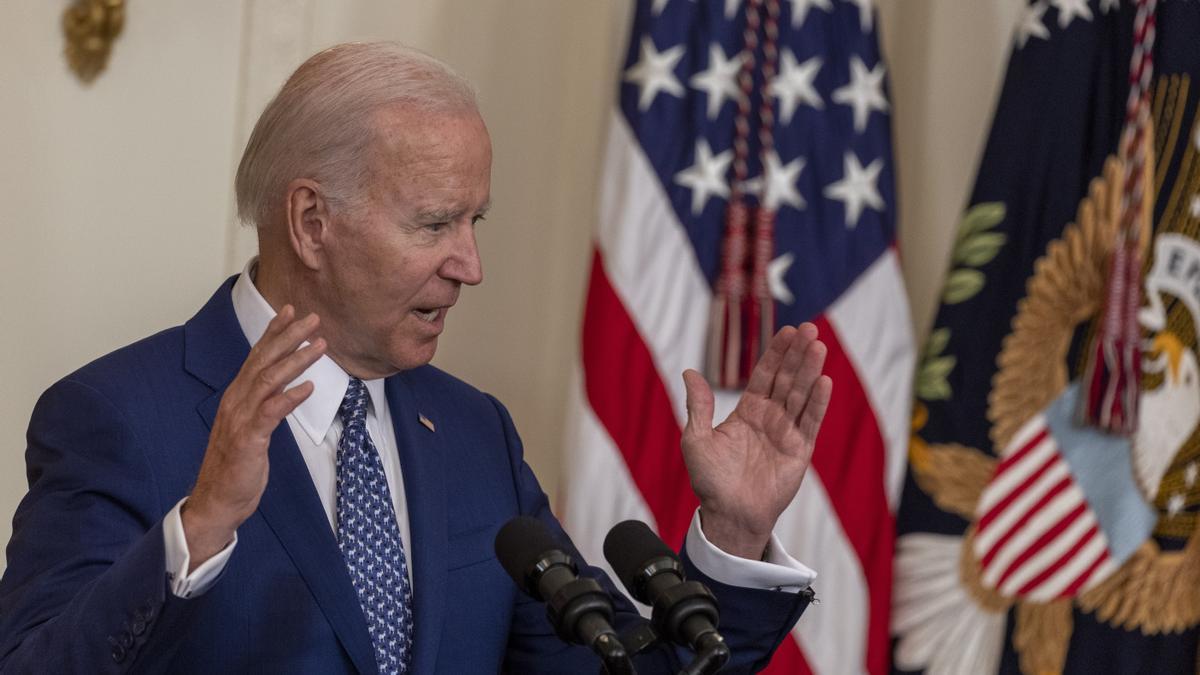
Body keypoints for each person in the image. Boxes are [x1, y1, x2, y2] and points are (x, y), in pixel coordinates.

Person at [0, 43, 832, 673]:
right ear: (312, 223)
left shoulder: (474, 431)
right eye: (435, 224)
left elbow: (615, 665)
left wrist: (734, 531)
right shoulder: (117, 415)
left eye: (476, 222)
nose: (470, 264)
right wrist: (201, 526)